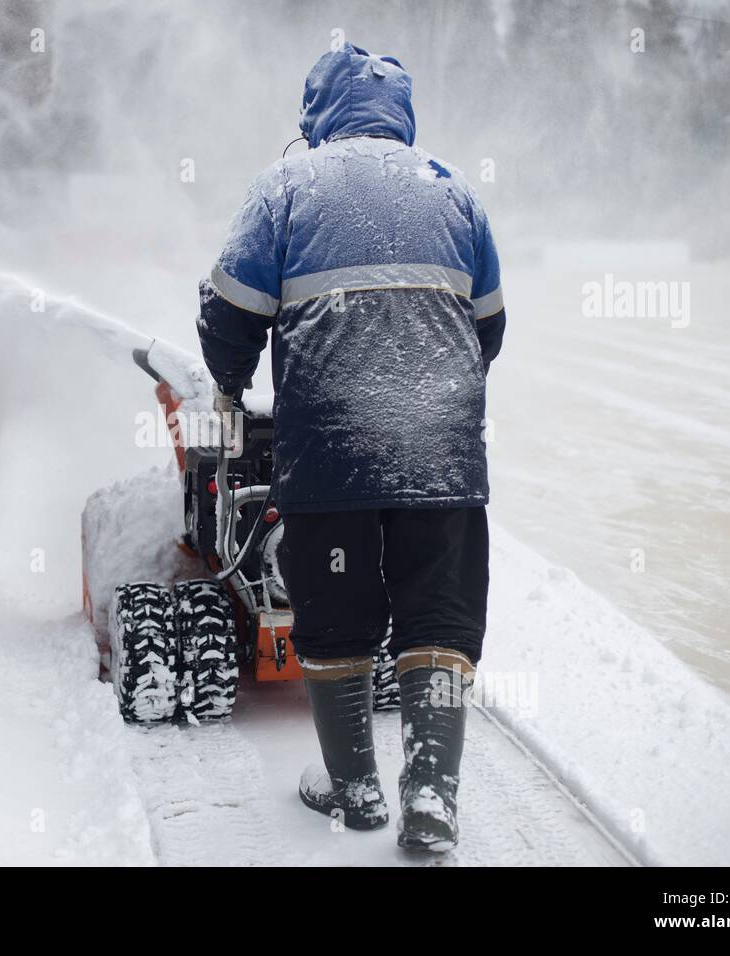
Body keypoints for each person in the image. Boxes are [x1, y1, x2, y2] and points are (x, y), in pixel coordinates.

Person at [196, 43, 505, 851]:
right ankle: (432, 795)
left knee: (333, 611)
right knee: (439, 613)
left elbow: (229, 312)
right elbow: (491, 329)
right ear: (400, 115)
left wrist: (229, 385)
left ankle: (353, 786)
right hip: (442, 452)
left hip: (331, 447)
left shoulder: (286, 188)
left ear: (317, 116)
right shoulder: (454, 190)